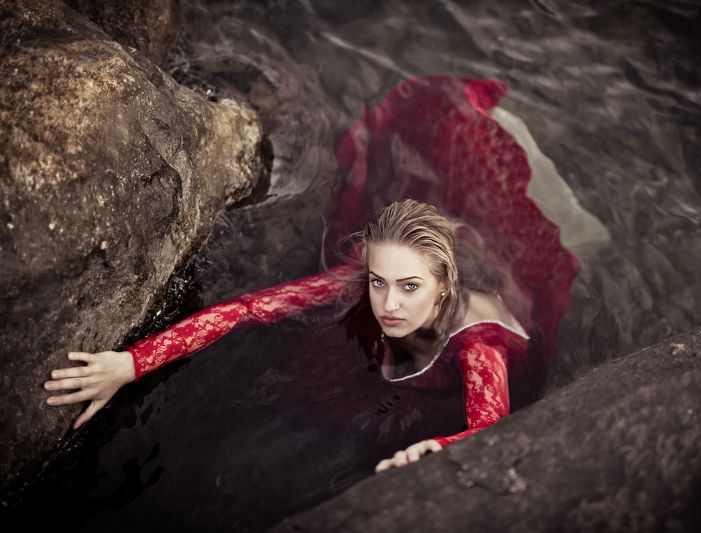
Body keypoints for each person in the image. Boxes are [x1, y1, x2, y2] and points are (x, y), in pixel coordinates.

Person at [44, 76, 581, 482]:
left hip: (477, 321)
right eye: (378, 282)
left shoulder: (480, 341)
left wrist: (439, 447)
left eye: (409, 288)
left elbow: (492, 430)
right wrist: (130, 363)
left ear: (443, 286)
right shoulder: (363, 281)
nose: (387, 304)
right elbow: (249, 309)